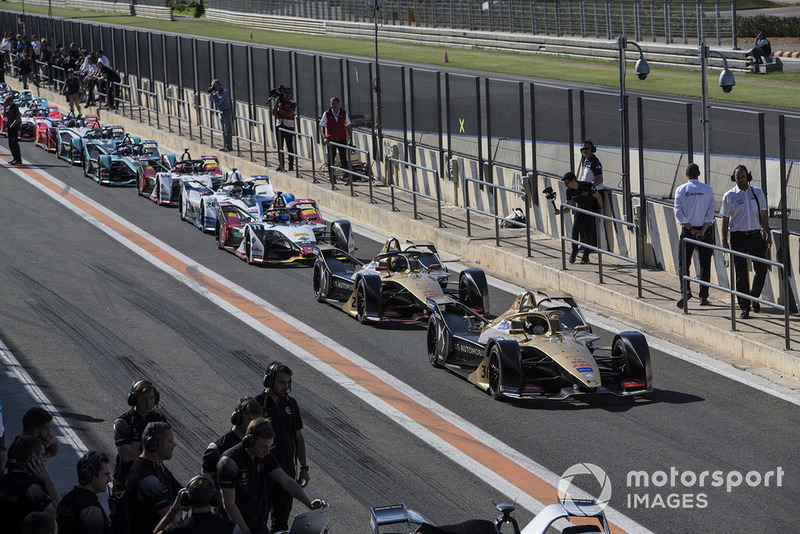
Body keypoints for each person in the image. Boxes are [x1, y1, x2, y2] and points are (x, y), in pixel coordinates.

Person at [217, 418, 326, 534]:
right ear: (250, 441)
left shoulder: (265, 456)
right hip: (233, 525)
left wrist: (309, 503)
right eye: (264, 446)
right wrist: (244, 530)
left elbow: (286, 481)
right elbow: (229, 504)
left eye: (270, 446)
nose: (267, 451)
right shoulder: (229, 462)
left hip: (256, 523)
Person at [255, 362, 309, 533]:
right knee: (259, 520)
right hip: (263, 473)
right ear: (269, 381)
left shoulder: (291, 404)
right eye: (281, 382)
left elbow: (298, 438)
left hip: (286, 471)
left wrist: (304, 468)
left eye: (288, 382)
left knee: (281, 523)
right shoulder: (256, 405)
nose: (286, 386)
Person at [111, 379, 168, 534]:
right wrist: (151, 451)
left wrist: (139, 449)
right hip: (126, 483)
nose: (149, 403)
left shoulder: (159, 420)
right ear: (134, 399)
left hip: (152, 480)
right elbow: (125, 455)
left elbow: (166, 451)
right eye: (144, 399)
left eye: (151, 398)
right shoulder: (123, 422)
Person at [721, 165, 772, 319]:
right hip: (737, 237)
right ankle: (744, 307)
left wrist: (768, 233)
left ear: (748, 176)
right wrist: (724, 240)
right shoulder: (729, 196)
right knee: (741, 274)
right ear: (734, 178)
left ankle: (753, 297)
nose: (741, 180)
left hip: (755, 236)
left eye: (743, 177)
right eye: (738, 177)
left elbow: (763, 215)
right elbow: (725, 220)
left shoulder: (757, 192)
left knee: (762, 269)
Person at [126, 421, 181, 534]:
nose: (174, 445)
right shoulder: (145, 476)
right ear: (154, 444)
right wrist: (177, 507)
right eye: (170, 441)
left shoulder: (158, 466)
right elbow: (173, 517)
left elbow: (182, 493)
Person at [674, 162, 716, 308]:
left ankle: (685, 291)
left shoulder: (680, 189)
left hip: (688, 231)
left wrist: (691, 230)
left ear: (686, 175)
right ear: (699, 174)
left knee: (683, 263)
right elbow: (711, 213)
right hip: (705, 231)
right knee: (705, 264)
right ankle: (703, 296)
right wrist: (702, 231)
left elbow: (679, 213)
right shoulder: (707, 189)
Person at [0, 436, 61, 532]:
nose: (44, 460)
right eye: (43, 455)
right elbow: (60, 512)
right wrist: (48, 480)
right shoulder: (32, 489)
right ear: (33, 456)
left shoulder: (3, 480)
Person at [201, 397, 263, 480]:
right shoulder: (218, 449)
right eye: (250, 420)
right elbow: (205, 483)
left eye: (256, 422)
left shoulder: (255, 447)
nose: (253, 425)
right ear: (238, 418)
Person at [153, 474, 240, 534]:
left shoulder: (175, 530)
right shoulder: (231, 529)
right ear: (215, 497)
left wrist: (173, 510)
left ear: (186, 498)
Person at [56, 451, 113, 534]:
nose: (110, 479)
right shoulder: (91, 509)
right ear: (91, 475)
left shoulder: (67, 498)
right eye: (106, 474)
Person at [554, 171, 603, 265]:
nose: (566, 185)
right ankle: (574, 251)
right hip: (581, 208)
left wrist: (600, 209)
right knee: (575, 229)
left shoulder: (587, 186)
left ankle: (586, 255)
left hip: (592, 209)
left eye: (567, 183)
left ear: (573, 181)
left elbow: (598, 197)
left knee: (588, 232)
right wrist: (560, 212)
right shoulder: (570, 191)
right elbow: (568, 208)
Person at [319, 96, 352, 185]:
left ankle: (347, 176)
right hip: (331, 140)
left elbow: (348, 125)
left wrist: (351, 138)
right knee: (331, 159)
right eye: (332, 104)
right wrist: (324, 137)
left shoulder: (344, 113)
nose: (333, 105)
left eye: (335, 104)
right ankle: (332, 177)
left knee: (343, 158)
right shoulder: (327, 114)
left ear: (338, 104)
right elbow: (322, 126)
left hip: (341, 139)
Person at [274, 87, 297, 172]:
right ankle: (281, 164)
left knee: (289, 146)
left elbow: (289, 114)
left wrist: (280, 112)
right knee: (280, 146)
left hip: (289, 126)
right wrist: (276, 104)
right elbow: (274, 113)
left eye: (288, 93)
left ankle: (291, 164)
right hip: (279, 125)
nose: (286, 95)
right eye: (285, 93)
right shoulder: (280, 102)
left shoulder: (292, 103)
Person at [210, 79, 233, 152]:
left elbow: (219, 102)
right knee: (223, 130)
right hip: (221, 111)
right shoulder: (216, 93)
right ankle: (225, 145)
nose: (214, 88)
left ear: (218, 85)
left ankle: (229, 146)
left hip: (226, 111)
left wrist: (213, 96)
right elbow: (211, 99)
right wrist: (211, 94)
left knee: (228, 130)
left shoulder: (224, 92)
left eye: (214, 86)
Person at [5, 93, 22, 165]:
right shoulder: (9, 108)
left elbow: (18, 117)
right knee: (10, 144)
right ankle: (14, 158)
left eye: (7, 101)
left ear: (11, 100)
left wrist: (12, 124)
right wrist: (5, 107)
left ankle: (18, 159)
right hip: (9, 127)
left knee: (14, 143)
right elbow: (5, 115)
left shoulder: (15, 107)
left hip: (14, 127)